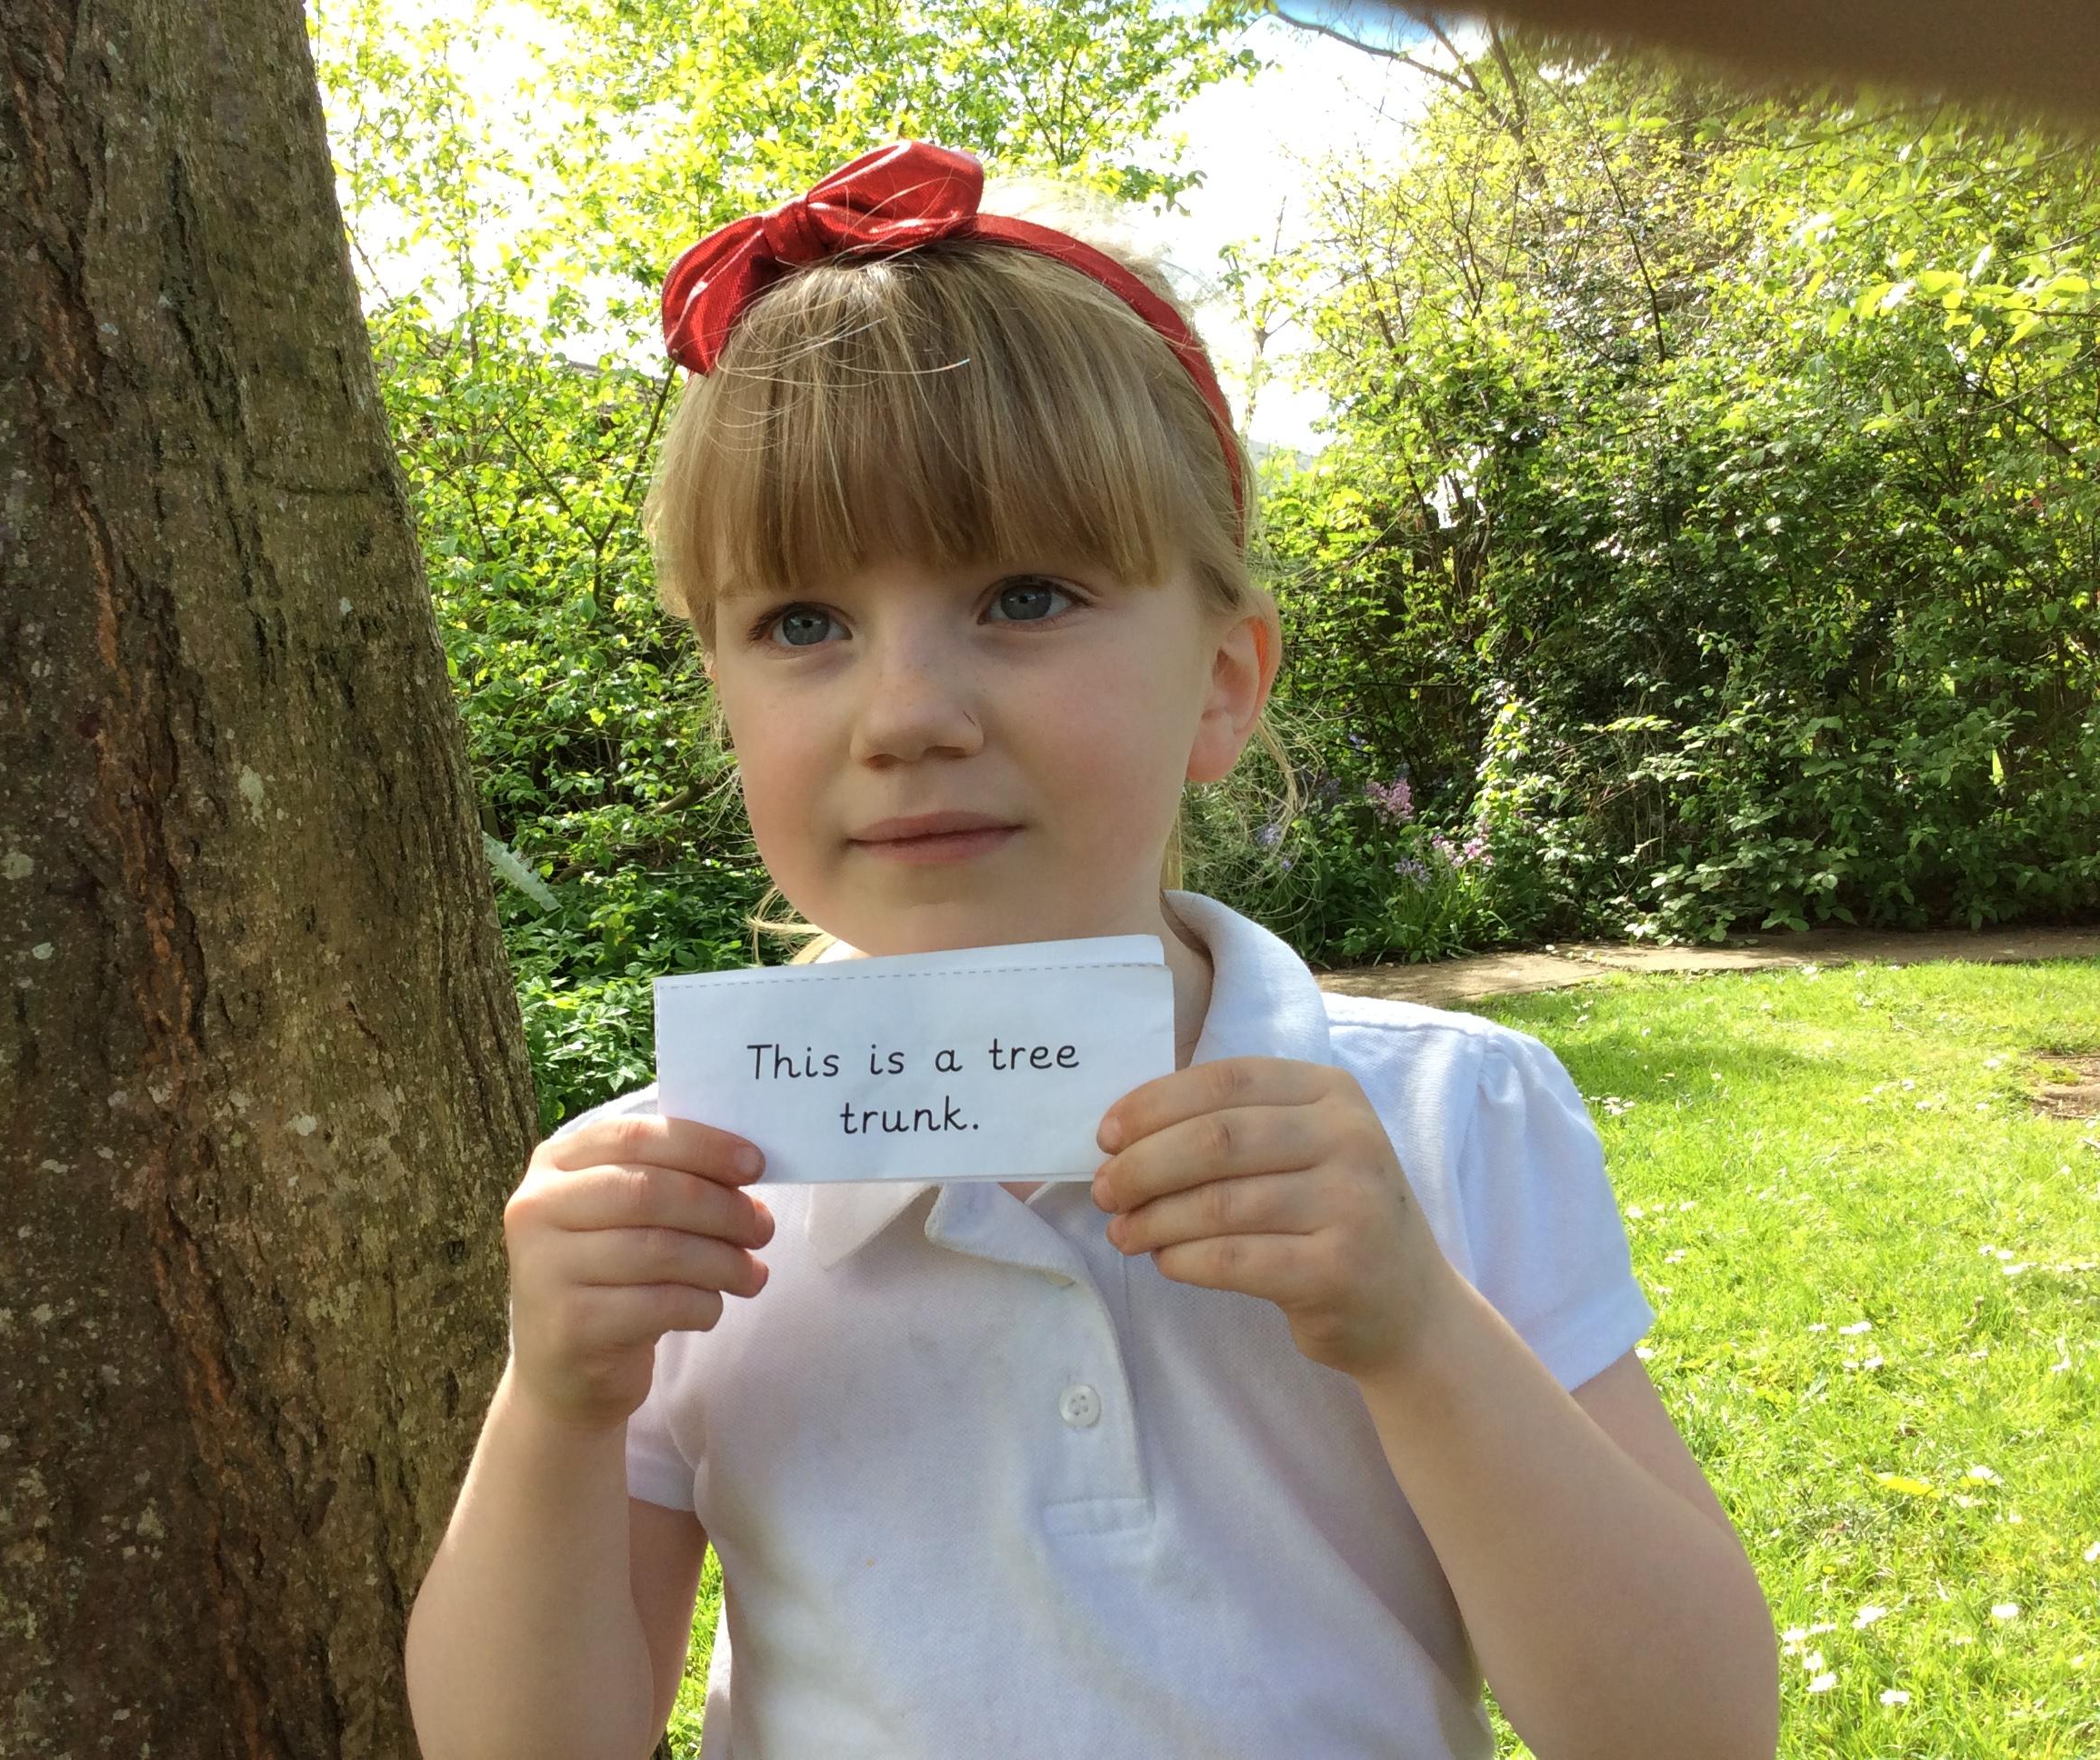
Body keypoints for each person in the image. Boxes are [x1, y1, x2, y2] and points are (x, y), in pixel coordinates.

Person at [404, 140, 1779, 1760]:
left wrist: (1417, 1329)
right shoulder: (685, 1199)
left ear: (1223, 682)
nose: (907, 714)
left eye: (1027, 597)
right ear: (722, 691)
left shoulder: (1448, 1120)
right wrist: (557, 1404)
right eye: (803, 624)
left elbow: (1693, 1733)